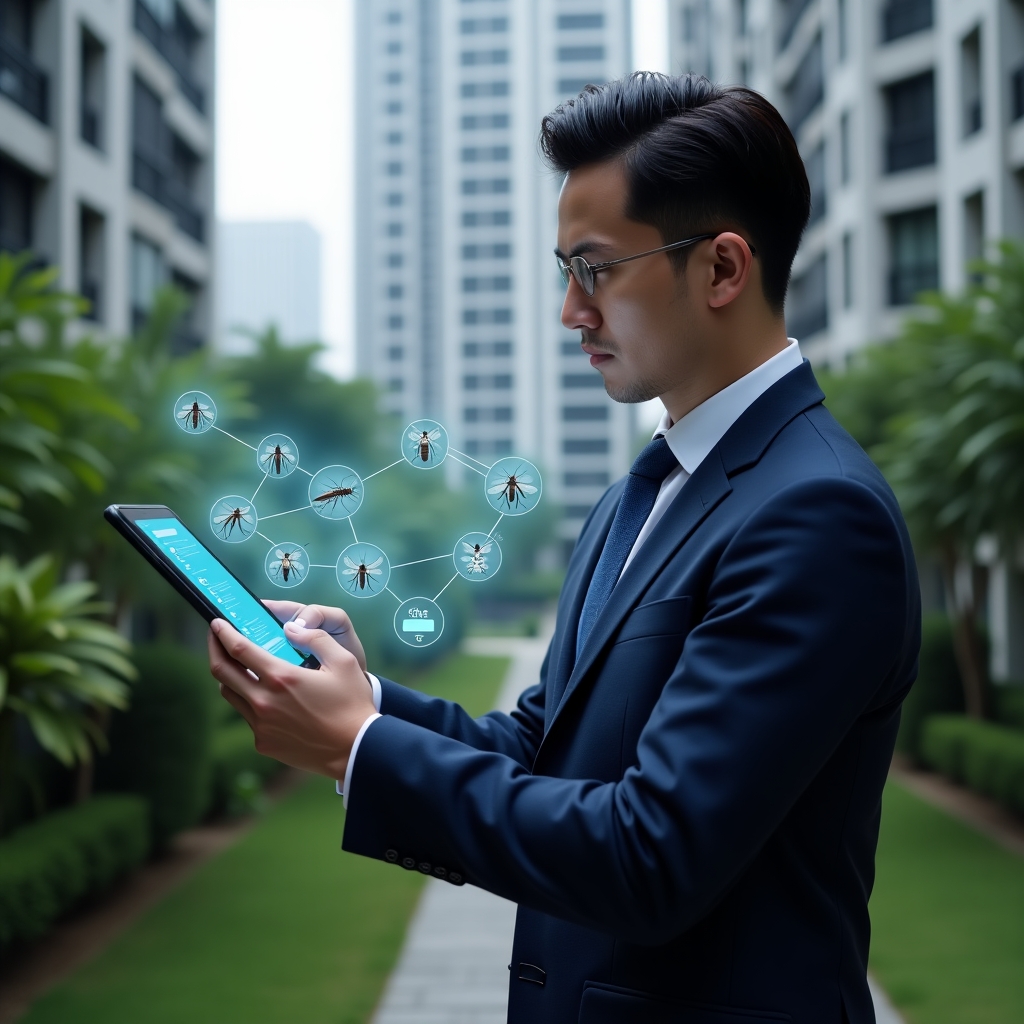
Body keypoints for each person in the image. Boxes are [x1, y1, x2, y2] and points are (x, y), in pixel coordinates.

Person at [208, 73, 920, 1024]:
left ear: (721, 269)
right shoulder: (648, 487)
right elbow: (547, 748)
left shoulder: (820, 512)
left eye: (596, 271)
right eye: (564, 273)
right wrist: (361, 699)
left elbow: (649, 854)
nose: (570, 313)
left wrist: (361, 750)